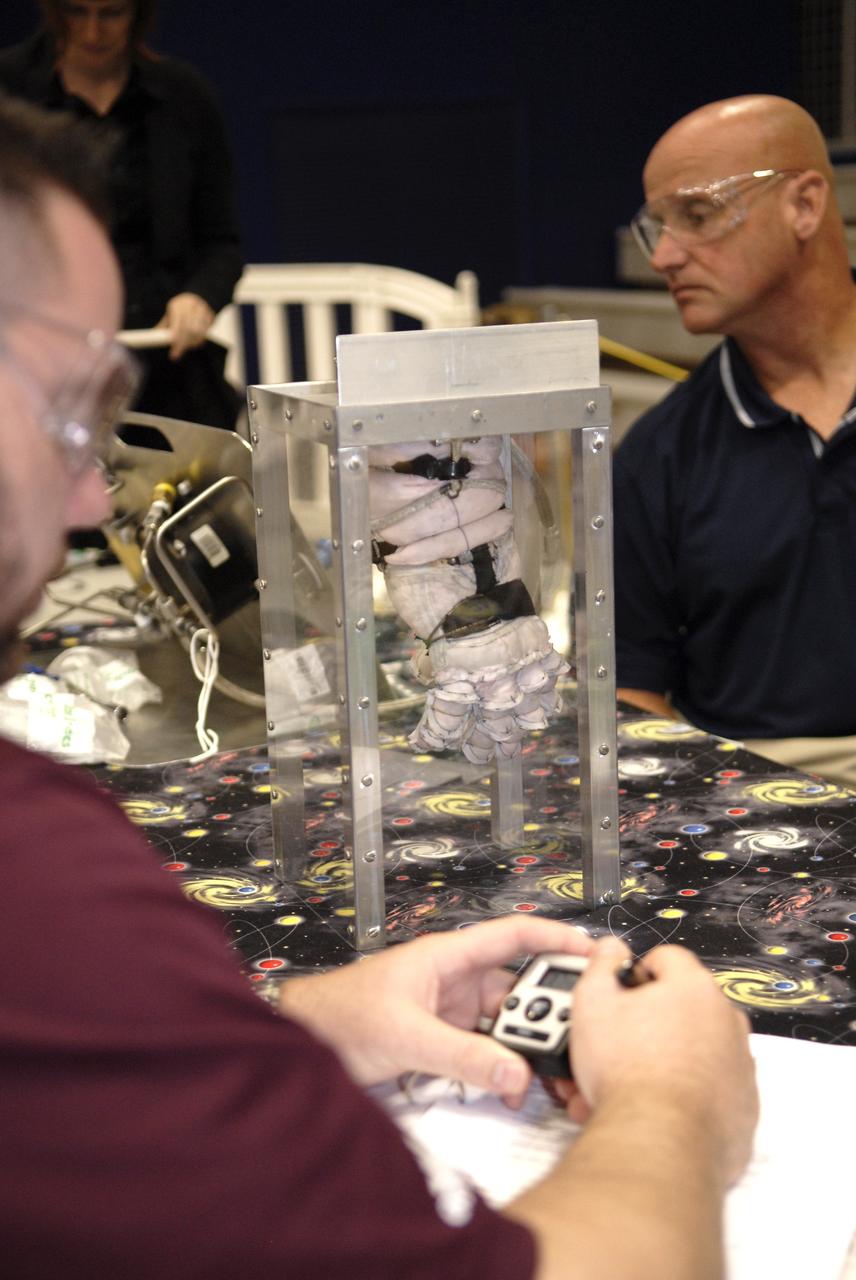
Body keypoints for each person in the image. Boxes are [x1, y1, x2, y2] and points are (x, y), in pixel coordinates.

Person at [0, 95, 757, 1279]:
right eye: (69, 405)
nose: (98, 496)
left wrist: (292, 1023)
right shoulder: (40, 883)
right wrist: (673, 1103)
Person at [615, 95, 856, 786]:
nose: (664, 255)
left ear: (805, 205)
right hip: (753, 792)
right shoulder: (657, 456)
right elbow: (633, 687)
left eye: (697, 214)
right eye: (657, 225)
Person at [0, 0, 243, 429]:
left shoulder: (184, 97)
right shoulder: (10, 89)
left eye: (111, 13)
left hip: (166, 363)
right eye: (77, 12)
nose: (93, 32)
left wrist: (199, 297)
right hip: (46, 373)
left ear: (138, 14)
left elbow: (221, 241)